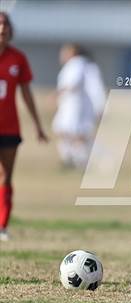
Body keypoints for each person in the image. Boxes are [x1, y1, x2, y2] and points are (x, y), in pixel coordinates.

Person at [0, 12, 48, 241]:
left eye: (5, 24)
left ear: (11, 30)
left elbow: (26, 93)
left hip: (9, 128)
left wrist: (38, 125)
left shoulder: (17, 59)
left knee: (6, 176)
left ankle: (2, 226)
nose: (2, 28)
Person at [53, 43, 106, 169]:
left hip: (75, 106)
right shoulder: (83, 65)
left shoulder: (77, 64)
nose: (62, 55)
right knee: (69, 133)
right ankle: (72, 159)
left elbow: (73, 83)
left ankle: (81, 161)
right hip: (73, 105)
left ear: (72, 52)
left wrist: (56, 94)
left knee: (76, 134)